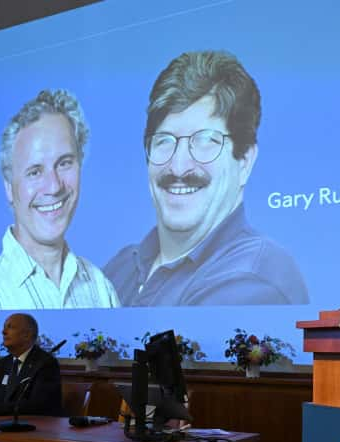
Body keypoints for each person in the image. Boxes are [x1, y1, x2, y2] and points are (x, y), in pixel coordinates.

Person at [104, 50, 309, 306]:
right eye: (164, 141)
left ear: (244, 160)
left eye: (205, 141)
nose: (178, 167)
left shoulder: (253, 277)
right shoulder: (121, 267)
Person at [0, 89, 119, 310]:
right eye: (34, 172)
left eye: (64, 163)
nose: (54, 186)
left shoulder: (101, 289)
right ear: (8, 187)